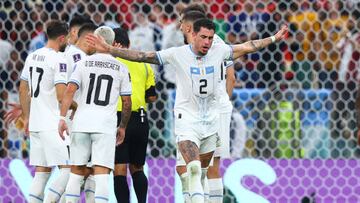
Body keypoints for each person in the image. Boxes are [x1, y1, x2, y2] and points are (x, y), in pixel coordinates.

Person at [86, 19, 288, 203]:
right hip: (187, 121)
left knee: (200, 173)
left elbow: (249, 46)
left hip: (210, 121)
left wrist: (273, 38)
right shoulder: (178, 54)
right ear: (193, 36)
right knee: (192, 168)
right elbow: (141, 56)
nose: (207, 42)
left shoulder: (219, 51)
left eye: (210, 38)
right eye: (203, 37)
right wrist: (111, 50)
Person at [58, 26, 132, 203]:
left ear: (95, 39)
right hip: (105, 125)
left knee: (76, 173)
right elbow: (127, 102)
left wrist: (62, 118)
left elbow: (69, 91)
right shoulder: (121, 67)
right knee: (101, 176)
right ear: (113, 43)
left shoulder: (82, 63)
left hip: (82, 123)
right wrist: (122, 126)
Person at [177, 9, 236, 203]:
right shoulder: (221, 45)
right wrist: (223, 102)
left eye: (181, 23)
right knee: (212, 166)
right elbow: (231, 77)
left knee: (188, 166)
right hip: (220, 108)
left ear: (189, 27)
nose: (179, 27)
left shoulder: (194, 48)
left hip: (196, 110)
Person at [19, 20, 72, 203]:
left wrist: (26, 117)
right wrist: (76, 106)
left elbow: (23, 88)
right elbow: (60, 96)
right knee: (69, 169)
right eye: (67, 39)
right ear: (62, 38)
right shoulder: (59, 59)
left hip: (36, 123)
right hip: (51, 123)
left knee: (41, 173)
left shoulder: (32, 56)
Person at [112, 28, 157, 203]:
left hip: (118, 117)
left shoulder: (111, 61)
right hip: (141, 120)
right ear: (128, 44)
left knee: (119, 169)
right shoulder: (144, 64)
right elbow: (152, 96)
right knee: (138, 168)